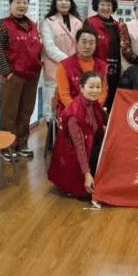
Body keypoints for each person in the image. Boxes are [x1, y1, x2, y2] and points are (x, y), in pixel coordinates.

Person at [0, 0, 43, 161]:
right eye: (18, 2)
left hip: (32, 75)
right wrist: (7, 72)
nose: (22, 6)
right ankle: (6, 147)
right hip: (13, 76)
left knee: (26, 111)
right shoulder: (2, 25)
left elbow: (38, 47)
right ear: (10, 4)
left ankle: (22, 144)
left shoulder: (33, 26)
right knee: (9, 113)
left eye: (25, 3)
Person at [48, 71, 106, 199]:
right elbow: (79, 146)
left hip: (89, 147)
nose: (95, 91)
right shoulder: (75, 113)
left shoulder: (94, 104)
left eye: (98, 87)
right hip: (74, 157)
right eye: (91, 87)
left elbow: (96, 127)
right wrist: (87, 174)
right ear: (81, 87)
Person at [84, 0, 136, 111]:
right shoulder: (90, 23)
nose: (105, 8)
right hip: (97, 69)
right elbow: (85, 47)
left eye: (109, 5)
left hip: (115, 70)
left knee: (112, 100)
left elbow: (125, 47)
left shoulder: (118, 25)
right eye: (102, 4)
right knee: (97, 100)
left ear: (113, 8)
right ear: (96, 6)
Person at [40, 0, 83, 122]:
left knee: (71, 105)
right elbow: (49, 47)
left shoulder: (78, 22)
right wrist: (69, 62)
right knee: (51, 108)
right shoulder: (48, 22)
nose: (63, 2)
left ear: (71, 2)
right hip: (55, 68)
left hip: (74, 70)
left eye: (66, 0)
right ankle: (50, 133)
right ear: (55, 3)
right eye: (60, 0)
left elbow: (82, 45)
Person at [55, 28, 108, 116]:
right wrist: (80, 111)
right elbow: (64, 95)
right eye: (84, 42)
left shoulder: (102, 66)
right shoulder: (64, 66)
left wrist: (93, 110)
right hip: (70, 113)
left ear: (96, 45)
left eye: (91, 43)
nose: (87, 46)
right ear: (76, 43)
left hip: (94, 112)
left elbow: (103, 93)